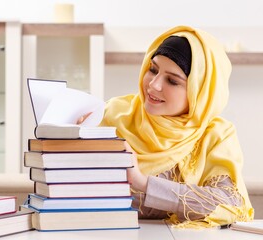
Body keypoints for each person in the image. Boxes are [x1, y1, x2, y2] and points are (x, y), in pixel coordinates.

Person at [79, 25, 254, 228]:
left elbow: (230, 204)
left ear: (199, 92)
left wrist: (142, 182)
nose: (153, 85)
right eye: (152, 69)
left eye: (172, 80)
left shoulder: (215, 135)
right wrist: (72, 145)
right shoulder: (113, 114)